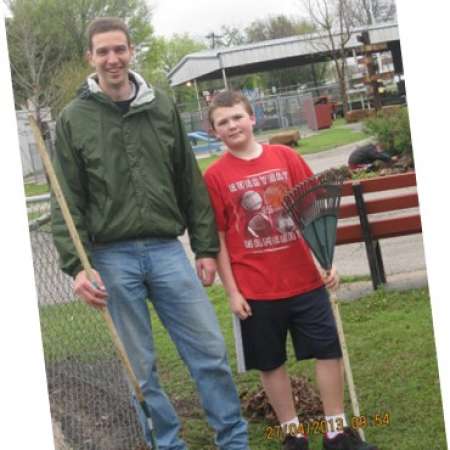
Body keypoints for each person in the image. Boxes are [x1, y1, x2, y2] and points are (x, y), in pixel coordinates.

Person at [51, 17, 248, 450]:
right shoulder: (73, 120)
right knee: (139, 367)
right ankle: (167, 443)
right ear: (90, 57)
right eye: (102, 51)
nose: (112, 58)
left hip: (166, 250)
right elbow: (66, 199)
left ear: (131, 51)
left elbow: (188, 180)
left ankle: (233, 440)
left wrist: (204, 247)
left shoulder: (160, 107)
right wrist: (76, 266)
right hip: (110, 258)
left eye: (119, 49)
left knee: (210, 352)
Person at [204, 91, 378, 450]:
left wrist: (326, 263)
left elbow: (314, 212)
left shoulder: (286, 157)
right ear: (214, 131)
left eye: (237, 117)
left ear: (252, 118)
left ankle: (335, 432)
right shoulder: (216, 176)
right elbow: (218, 236)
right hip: (256, 289)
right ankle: (292, 435)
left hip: (305, 280)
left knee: (329, 350)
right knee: (271, 362)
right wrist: (232, 291)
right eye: (223, 121)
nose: (232, 125)